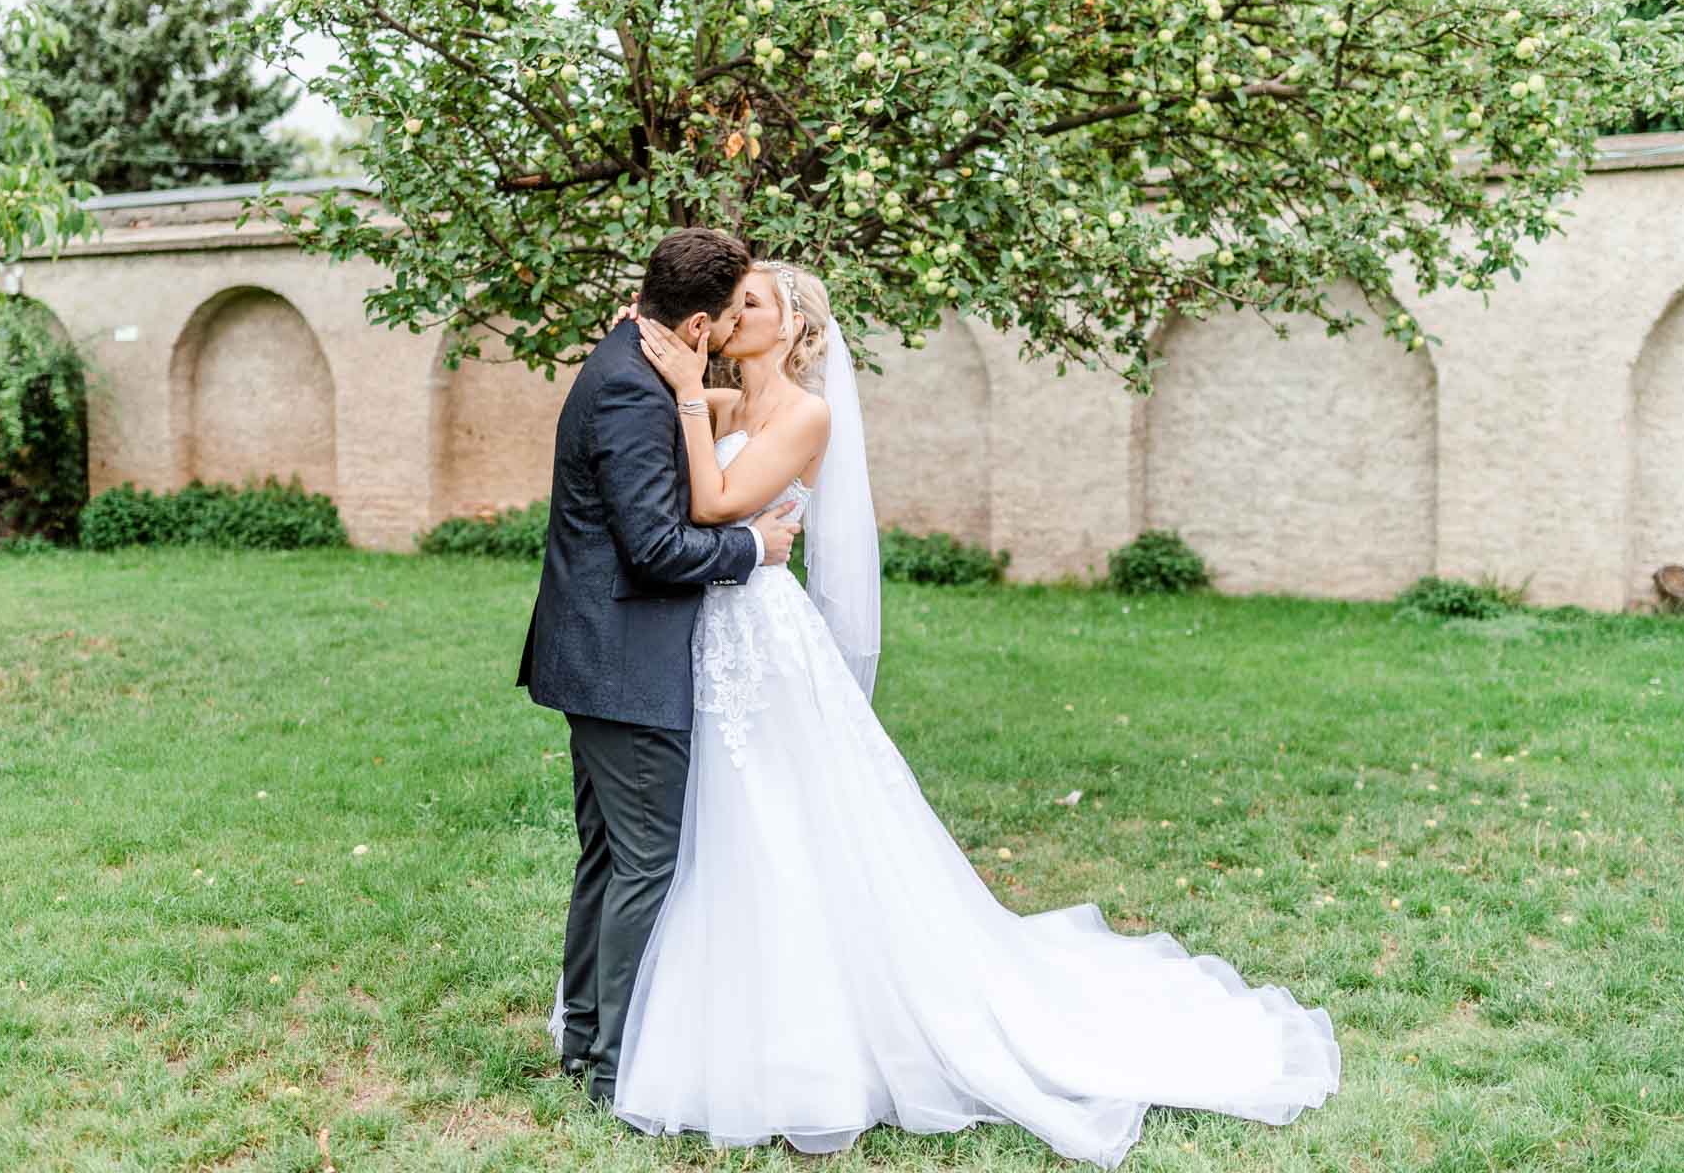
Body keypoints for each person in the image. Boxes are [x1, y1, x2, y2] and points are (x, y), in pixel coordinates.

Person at [547, 260, 1342, 1167]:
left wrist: (691, 394)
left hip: (761, 634)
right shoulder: (724, 402)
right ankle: (647, 1019)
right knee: (695, 834)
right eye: (726, 307)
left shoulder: (807, 413)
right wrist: (654, 350)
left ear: (797, 328)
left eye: (751, 304)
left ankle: (714, 1034)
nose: (732, 316)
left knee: (776, 822)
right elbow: (687, 459)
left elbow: (711, 501)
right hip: (702, 637)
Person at [517, 227, 804, 1106]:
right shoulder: (635, 397)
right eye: (718, 328)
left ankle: (584, 1039)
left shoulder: (628, 364)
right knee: (644, 863)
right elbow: (652, 549)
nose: (720, 344)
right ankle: (609, 1067)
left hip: (599, 653)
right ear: (694, 325)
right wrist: (753, 546)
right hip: (623, 658)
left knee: (608, 858)